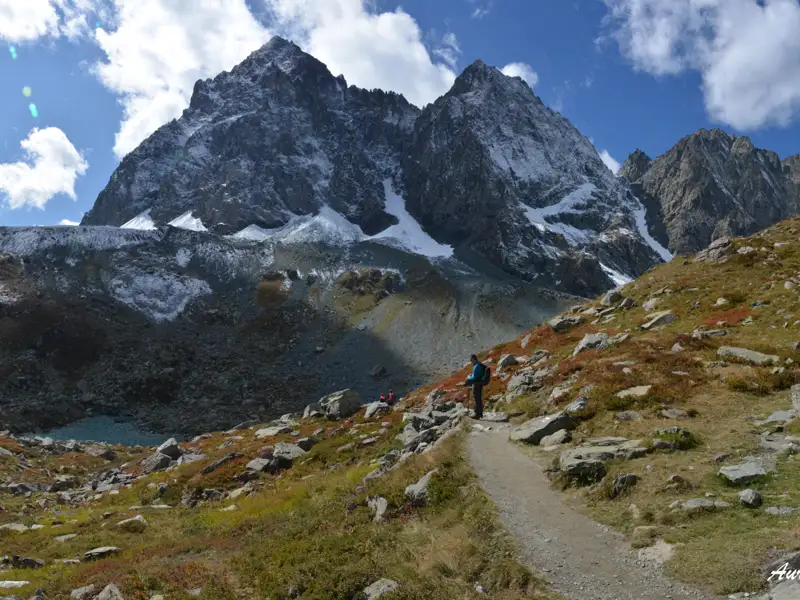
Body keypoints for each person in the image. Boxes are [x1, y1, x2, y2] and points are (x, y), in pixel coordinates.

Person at [465, 353, 488, 419]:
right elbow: (475, 375)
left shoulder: (477, 366)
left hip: (476, 383)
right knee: (478, 398)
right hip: (479, 383)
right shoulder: (478, 364)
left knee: (477, 398)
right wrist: (471, 376)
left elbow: (474, 377)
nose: (470, 360)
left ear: (473, 359)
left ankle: (477, 414)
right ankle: (479, 413)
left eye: (471, 359)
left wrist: (469, 377)